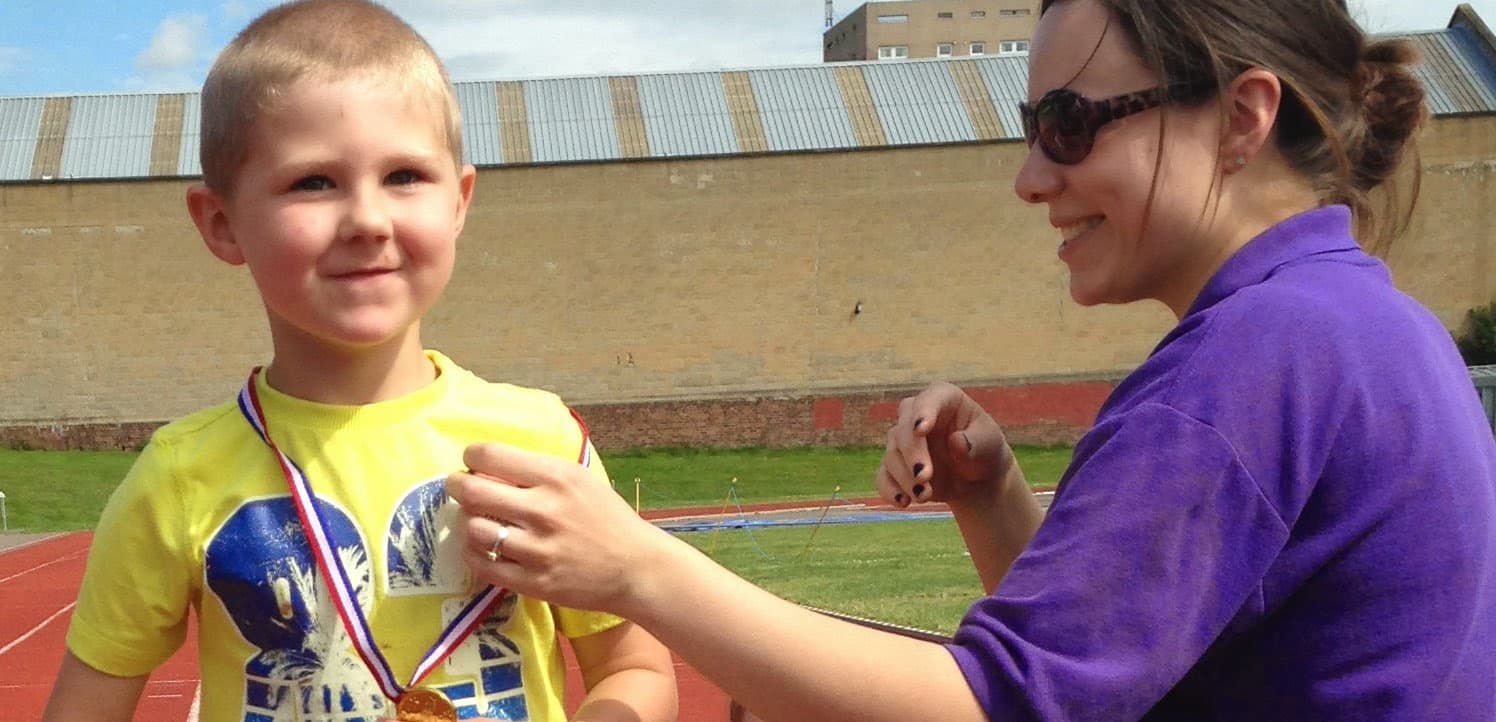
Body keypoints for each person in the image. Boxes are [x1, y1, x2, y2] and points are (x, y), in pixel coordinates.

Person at [441, 0, 1496, 720]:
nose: (1030, 177)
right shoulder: (1367, 325)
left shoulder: (1249, 359)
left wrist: (637, 566)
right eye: (1029, 126)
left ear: (1240, 116)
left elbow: (1001, 704)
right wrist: (992, 497)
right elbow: (1106, 670)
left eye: (1068, 124)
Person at [40, 2, 677, 721]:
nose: (370, 220)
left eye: (405, 175)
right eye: (314, 182)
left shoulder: (540, 440)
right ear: (223, 225)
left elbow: (635, 667)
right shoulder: (178, 478)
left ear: (460, 201)